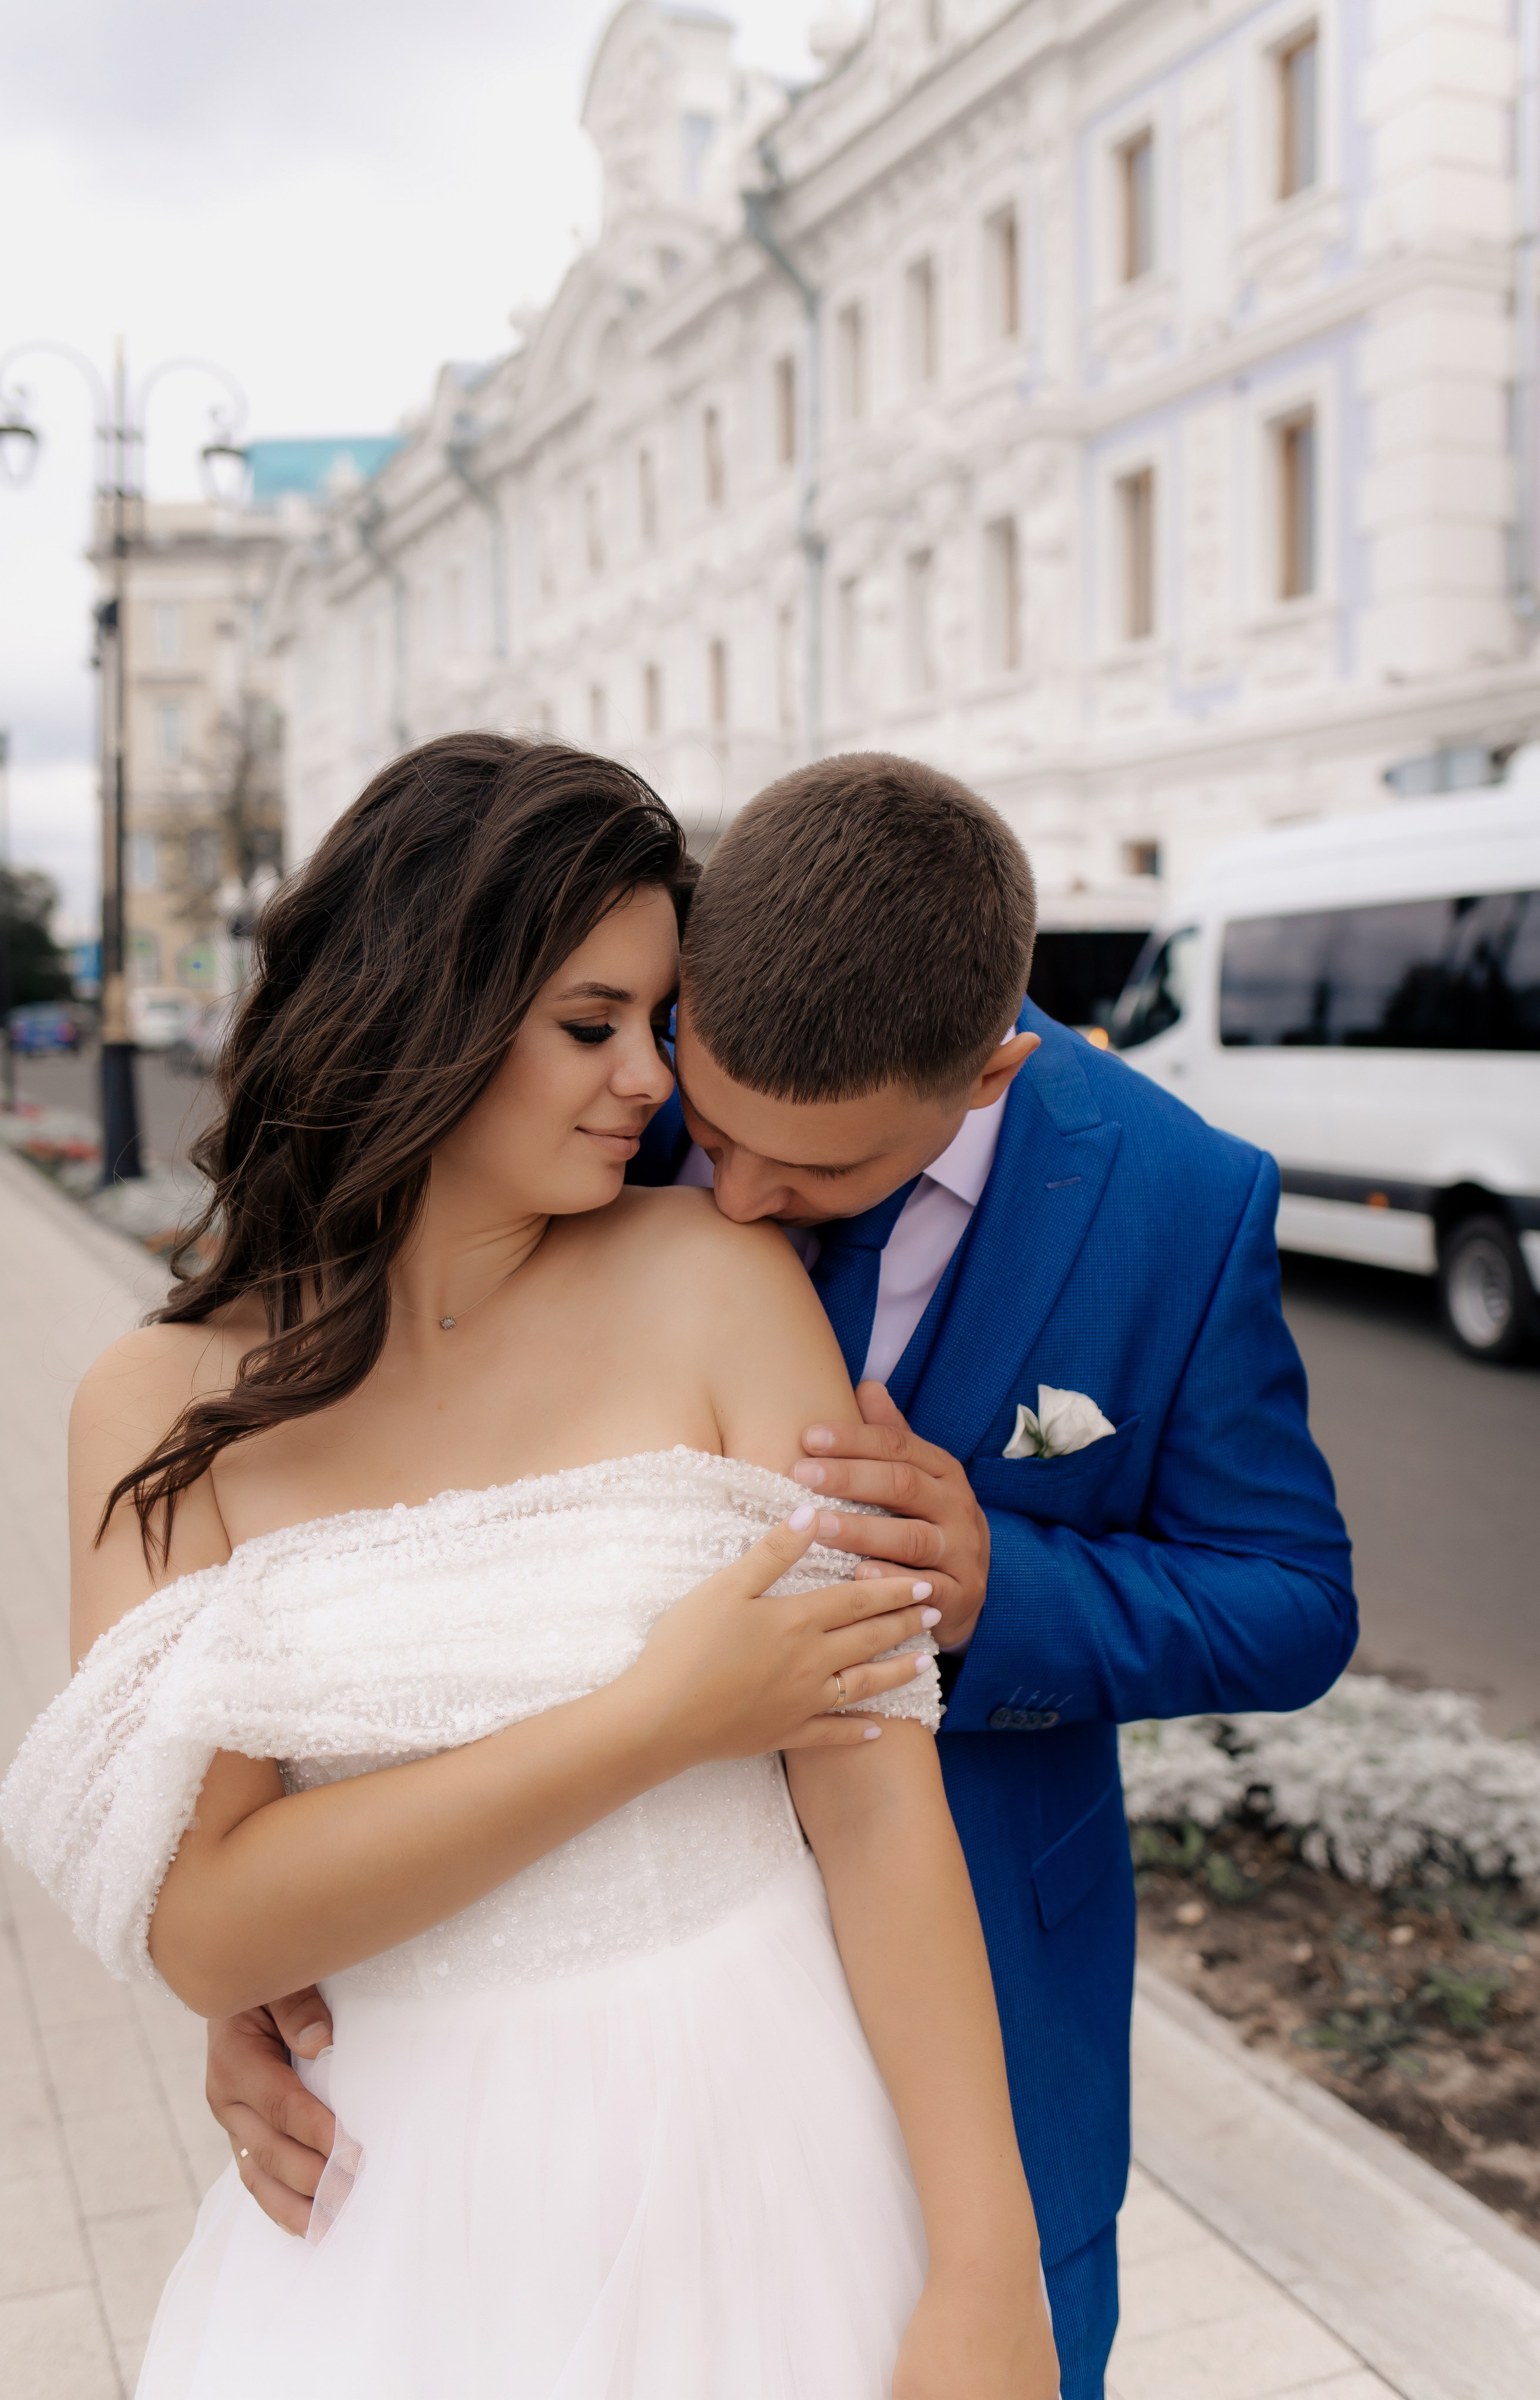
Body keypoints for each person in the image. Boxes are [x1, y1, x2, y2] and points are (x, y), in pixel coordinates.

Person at [208, 751, 1357, 2398]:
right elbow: (403, 1536)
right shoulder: (607, 1084)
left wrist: (996, 1589)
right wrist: (279, 1953)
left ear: (986, 1077)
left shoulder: (1182, 1201)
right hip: (581, 2012)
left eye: (815, 1178)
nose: (733, 1198)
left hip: (988, 2003)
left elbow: (1293, 1597)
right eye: (714, 1125)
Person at [0, 735, 1062, 2400]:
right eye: (591, 1025)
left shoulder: (718, 1280)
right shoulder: (157, 1406)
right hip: (397, 2201)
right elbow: (207, 1929)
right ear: (415, 1003)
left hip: (766, 2140)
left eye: (656, 1024)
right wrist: (658, 1719)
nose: (649, 1080)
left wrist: (990, 2274)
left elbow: (874, 1813)